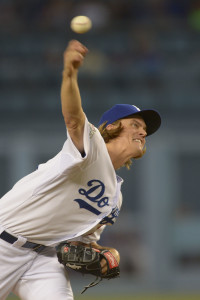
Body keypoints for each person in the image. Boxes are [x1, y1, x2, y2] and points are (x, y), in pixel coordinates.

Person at [0, 40, 161, 300]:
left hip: (45, 260)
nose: (143, 132)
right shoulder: (92, 146)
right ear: (110, 127)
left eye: (145, 130)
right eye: (135, 124)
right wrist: (69, 73)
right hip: (4, 244)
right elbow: (74, 119)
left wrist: (107, 253)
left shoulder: (114, 197)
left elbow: (82, 243)